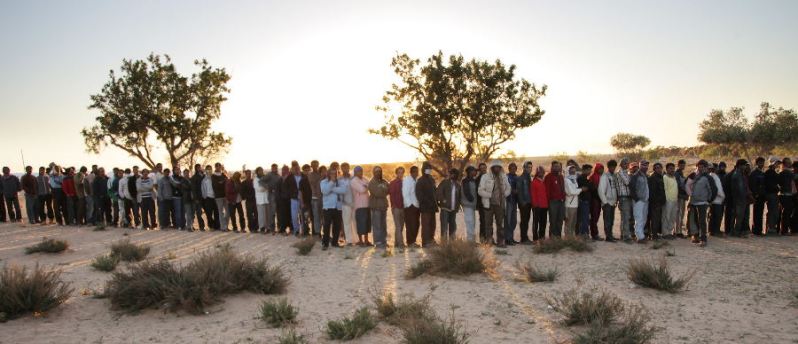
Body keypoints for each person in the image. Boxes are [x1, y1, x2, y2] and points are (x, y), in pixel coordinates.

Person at [478, 160, 511, 247]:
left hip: (500, 204)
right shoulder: (485, 177)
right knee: (488, 224)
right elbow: (480, 190)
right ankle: (489, 241)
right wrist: (489, 195)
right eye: (495, 167)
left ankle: (501, 241)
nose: (497, 168)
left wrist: (504, 195)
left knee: (500, 224)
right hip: (488, 204)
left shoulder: (503, 176)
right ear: (492, 168)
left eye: (498, 167)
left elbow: (508, 188)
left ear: (500, 168)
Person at [688, 160, 715, 247]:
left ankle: (703, 239)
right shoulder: (695, 176)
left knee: (702, 221)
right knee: (694, 220)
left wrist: (709, 200)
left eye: (702, 167)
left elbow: (713, 190)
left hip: (703, 203)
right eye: (699, 167)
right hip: (693, 202)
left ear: (706, 168)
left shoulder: (708, 178)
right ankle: (696, 237)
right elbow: (690, 188)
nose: (700, 169)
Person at [320, 167, 347, 249]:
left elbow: (343, 190)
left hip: (338, 207)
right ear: (328, 174)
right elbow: (324, 191)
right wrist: (332, 182)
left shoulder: (340, 182)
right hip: (328, 207)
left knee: (337, 226)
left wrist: (332, 189)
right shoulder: (323, 182)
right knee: (327, 226)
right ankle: (325, 244)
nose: (334, 175)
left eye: (335, 173)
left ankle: (335, 243)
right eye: (331, 173)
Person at [416, 162, 438, 247]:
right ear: (423, 170)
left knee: (433, 224)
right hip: (425, 207)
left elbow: (434, 191)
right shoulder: (420, 181)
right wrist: (427, 201)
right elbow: (419, 195)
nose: (429, 170)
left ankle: (431, 240)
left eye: (430, 168)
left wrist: (436, 201)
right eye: (427, 169)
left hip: (433, 206)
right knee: (426, 225)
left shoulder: (432, 179)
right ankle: (425, 242)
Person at [436, 168, 462, 243]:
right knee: (444, 227)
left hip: (453, 210)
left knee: (453, 227)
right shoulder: (444, 182)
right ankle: (443, 243)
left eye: (452, 174)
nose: (451, 175)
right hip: (445, 208)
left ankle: (452, 243)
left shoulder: (458, 185)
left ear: (456, 175)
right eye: (450, 173)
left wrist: (458, 207)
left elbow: (459, 197)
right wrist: (443, 200)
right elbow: (438, 192)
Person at [368, 166, 390, 249]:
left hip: (383, 206)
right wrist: (383, 189)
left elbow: (389, 190)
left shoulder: (384, 181)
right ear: (373, 172)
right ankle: (377, 242)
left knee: (383, 225)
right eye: (376, 171)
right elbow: (378, 193)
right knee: (377, 225)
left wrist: (383, 189)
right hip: (376, 207)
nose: (378, 173)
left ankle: (383, 241)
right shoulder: (371, 182)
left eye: (380, 171)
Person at [597, 160, 618, 242]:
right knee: (607, 220)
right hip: (607, 202)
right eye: (611, 167)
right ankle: (608, 237)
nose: (613, 168)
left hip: (613, 201)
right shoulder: (604, 176)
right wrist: (605, 202)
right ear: (608, 167)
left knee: (611, 219)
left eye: (614, 167)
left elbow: (614, 189)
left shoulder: (614, 176)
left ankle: (610, 234)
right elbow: (600, 190)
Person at [730, 160, 752, 237]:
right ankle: (736, 232)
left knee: (741, 216)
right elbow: (740, 188)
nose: (745, 167)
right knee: (739, 216)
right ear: (740, 165)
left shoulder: (741, 174)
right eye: (744, 165)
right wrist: (746, 195)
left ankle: (739, 232)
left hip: (742, 199)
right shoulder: (737, 175)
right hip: (739, 199)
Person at [350, 166, 371, 245]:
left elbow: (369, 185)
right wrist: (366, 187)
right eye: (358, 171)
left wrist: (366, 186)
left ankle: (366, 240)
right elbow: (362, 190)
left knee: (367, 223)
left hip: (367, 204)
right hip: (359, 205)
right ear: (355, 172)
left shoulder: (364, 179)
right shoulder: (353, 181)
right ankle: (360, 241)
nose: (360, 173)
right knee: (360, 223)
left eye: (361, 171)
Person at [630, 160, 650, 244]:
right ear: (640, 166)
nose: (645, 167)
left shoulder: (645, 176)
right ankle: (640, 237)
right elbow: (632, 188)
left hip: (645, 200)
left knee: (644, 219)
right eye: (643, 165)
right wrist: (636, 199)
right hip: (638, 201)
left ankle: (641, 235)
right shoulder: (635, 176)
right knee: (639, 218)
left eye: (646, 165)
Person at [544, 161, 565, 237]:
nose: (557, 168)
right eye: (555, 166)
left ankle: (558, 236)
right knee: (553, 220)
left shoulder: (561, 176)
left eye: (558, 166)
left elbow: (563, 189)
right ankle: (552, 237)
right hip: (553, 202)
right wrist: (548, 203)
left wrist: (563, 198)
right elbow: (547, 191)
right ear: (552, 167)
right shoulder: (548, 177)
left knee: (560, 220)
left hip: (561, 202)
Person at [402, 165, 421, 247]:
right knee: (410, 224)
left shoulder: (416, 180)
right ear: (412, 172)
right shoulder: (407, 180)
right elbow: (405, 193)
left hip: (416, 206)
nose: (418, 173)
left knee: (416, 224)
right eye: (416, 171)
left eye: (418, 171)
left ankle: (413, 241)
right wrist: (409, 205)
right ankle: (410, 242)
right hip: (410, 206)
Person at [647, 163, 666, 240]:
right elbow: (652, 192)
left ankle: (656, 234)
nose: (659, 169)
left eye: (660, 168)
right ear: (654, 169)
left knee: (658, 219)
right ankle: (653, 235)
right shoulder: (653, 178)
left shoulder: (660, 177)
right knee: (654, 219)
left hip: (660, 202)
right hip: (655, 202)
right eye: (657, 168)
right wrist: (655, 202)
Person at [516, 162, 533, 244]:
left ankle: (525, 237)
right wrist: (522, 202)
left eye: (530, 167)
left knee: (526, 220)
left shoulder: (529, 177)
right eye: (528, 167)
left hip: (529, 202)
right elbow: (519, 192)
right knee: (524, 221)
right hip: (524, 203)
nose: (529, 169)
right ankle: (523, 238)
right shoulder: (521, 178)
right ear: (524, 168)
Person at [749, 157, 767, 236]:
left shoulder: (763, 173)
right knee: (756, 213)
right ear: (757, 163)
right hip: (757, 196)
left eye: (763, 162)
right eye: (760, 162)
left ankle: (759, 230)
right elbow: (752, 185)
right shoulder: (754, 173)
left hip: (762, 196)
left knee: (761, 213)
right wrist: (755, 194)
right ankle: (755, 230)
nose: (762, 164)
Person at [388, 167, 405, 248]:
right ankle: (401, 243)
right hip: (396, 208)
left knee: (401, 226)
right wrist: (393, 206)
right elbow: (392, 196)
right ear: (396, 173)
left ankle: (396, 243)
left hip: (403, 207)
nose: (400, 174)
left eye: (402, 172)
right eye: (399, 172)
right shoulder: (393, 183)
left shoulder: (404, 182)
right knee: (398, 226)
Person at [339, 163, 356, 244]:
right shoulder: (339, 180)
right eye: (343, 168)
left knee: (355, 222)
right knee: (346, 223)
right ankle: (349, 241)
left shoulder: (353, 178)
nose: (345, 169)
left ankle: (357, 240)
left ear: (349, 168)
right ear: (341, 169)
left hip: (355, 203)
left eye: (346, 167)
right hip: (345, 204)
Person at [707, 163, 726, 236]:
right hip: (716, 199)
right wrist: (723, 196)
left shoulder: (714, 176)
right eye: (716, 168)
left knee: (714, 216)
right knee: (716, 216)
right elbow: (716, 189)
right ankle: (715, 231)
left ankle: (713, 230)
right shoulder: (713, 176)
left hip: (717, 199)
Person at [530, 166, 548, 241]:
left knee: (543, 223)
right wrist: (535, 205)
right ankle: (535, 238)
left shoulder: (544, 181)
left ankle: (542, 237)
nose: (541, 173)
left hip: (545, 205)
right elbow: (533, 194)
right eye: (540, 172)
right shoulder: (534, 182)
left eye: (542, 172)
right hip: (537, 206)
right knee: (536, 223)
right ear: (537, 173)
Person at [461, 166, 479, 242]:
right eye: (474, 171)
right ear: (469, 172)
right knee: (469, 222)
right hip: (467, 205)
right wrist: (471, 199)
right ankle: (470, 241)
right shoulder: (465, 181)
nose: (475, 172)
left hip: (472, 205)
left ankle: (472, 240)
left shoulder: (474, 180)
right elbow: (467, 192)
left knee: (473, 223)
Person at [778, 158, 795, 235]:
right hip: (786, 195)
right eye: (788, 163)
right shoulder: (787, 173)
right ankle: (784, 230)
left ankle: (783, 229)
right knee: (786, 213)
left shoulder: (781, 173)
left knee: (785, 213)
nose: (790, 164)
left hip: (784, 195)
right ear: (785, 164)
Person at [661, 163, 679, 239]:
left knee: (672, 217)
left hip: (675, 200)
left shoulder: (674, 177)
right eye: (670, 168)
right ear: (667, 169)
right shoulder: (665, 177)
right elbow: (664, 189)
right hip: (668, 200)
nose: (672, 170)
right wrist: (666, 199)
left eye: (673, 168)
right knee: (666, 217)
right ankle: (665, 233)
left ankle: (670, 232)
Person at [764, 160, 781, 234]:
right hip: (771, 194)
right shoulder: (770, 173)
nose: (778, 165)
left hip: (772, 194)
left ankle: (770, 228)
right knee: (773, 212)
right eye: (776, 163)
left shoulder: (772, 172)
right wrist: (777, 188)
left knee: (772, 211)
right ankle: (771, 228)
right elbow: (770, 185)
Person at [564, 165, 581, 237]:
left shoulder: (574, 180)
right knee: (569, 223)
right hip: (569, 205)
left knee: (574, 223)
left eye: (574, 170)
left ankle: (571, 238)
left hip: (575, 204)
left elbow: (575, 190)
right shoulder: (566, 180)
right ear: (568, 171)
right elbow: (571, 192)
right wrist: (581, 190)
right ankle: (568, 238)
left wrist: (577, 190)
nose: (573, 171)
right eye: (571, 170)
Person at [211, 163, 230, 231]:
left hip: (225, 196)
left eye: (220, 166)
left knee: (228, 211)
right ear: (215, 167)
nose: (219, 168)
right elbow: (216, 185)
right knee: (220, 212)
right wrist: (222, 182)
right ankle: (223, 227)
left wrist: (222, 182)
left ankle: (226, 225)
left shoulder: (223, 175)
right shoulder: (213, 176)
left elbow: (227, 182)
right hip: (218, 196)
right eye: (217, 166)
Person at [189, 165, 207, 231]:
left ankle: (206, 226)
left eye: (200, 167)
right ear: (196, 168)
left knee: (205, 212)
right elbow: (193, 189)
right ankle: (200, 226)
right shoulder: (194, 177)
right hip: (197, 198)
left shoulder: (203, 176)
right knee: (198, 213)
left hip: (204, 197)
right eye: (198, 168)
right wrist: (195, 198)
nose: (200, 169)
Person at [504, 163, 519, 244]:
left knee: (514, 221)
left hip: (515, 202)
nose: (513, 170)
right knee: (508, 221)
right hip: (508, 201)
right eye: (511, 168)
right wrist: (512, 191)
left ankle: (511, 237)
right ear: (509, 169)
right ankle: (507, 239)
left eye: (514, 168)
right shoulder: (506, 177)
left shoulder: (517, 177)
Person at [308, 160, 323, 237]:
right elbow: (313, 184)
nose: (315, 167)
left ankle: (323, 232)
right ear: (311, 166)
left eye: (316, 165)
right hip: (314, 198)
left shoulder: (321, 173)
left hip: (322, 198)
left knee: (323, 216)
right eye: (313, 165)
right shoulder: (310, 175)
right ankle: (318, 232)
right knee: (316, 216)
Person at [674, 159, 688, 237]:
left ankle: (678, 231)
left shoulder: (680, 173)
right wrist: (685, 190)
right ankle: (678, 232)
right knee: (679, 214)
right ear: (678, 165)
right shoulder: (677, 174)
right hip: (679, 196)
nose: (683, 166)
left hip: (682, 196)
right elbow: (679, 186)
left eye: (683, 165)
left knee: (681, 214)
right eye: (681, 165)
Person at [201, 165, 218, 230]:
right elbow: (202, 189)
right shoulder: (204, 180)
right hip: (208, 198)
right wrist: (204, 197)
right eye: (208, 169)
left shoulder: (214, 177)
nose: (209, 170)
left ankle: (217, 226)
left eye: (210, 169)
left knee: (216, 213)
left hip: (215, 198)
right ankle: (211, 226)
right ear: (205, 170)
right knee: (209, 213)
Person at [254, 167, 270, 232]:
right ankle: (262, 227)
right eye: (260, 170)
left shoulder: (265, 178)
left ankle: (268, 227)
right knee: (261, 215)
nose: (261, 171)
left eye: (262, 170)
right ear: (257, 172)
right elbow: (259, 189)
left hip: (266, 199)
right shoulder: (255, 180)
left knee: (267, 215)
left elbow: (269, 185)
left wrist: (266, 187)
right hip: (260, 200)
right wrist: (266, 188)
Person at [475, 162, 488, 242]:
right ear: (479, 169)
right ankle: (483, 239)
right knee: (483, 221)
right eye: (481, 168)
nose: (483, 169)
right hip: (481, 203)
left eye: (484, 168)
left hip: (490, 203)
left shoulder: (490, 177)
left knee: (489, 221)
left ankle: (489, 238)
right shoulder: (477, 179)